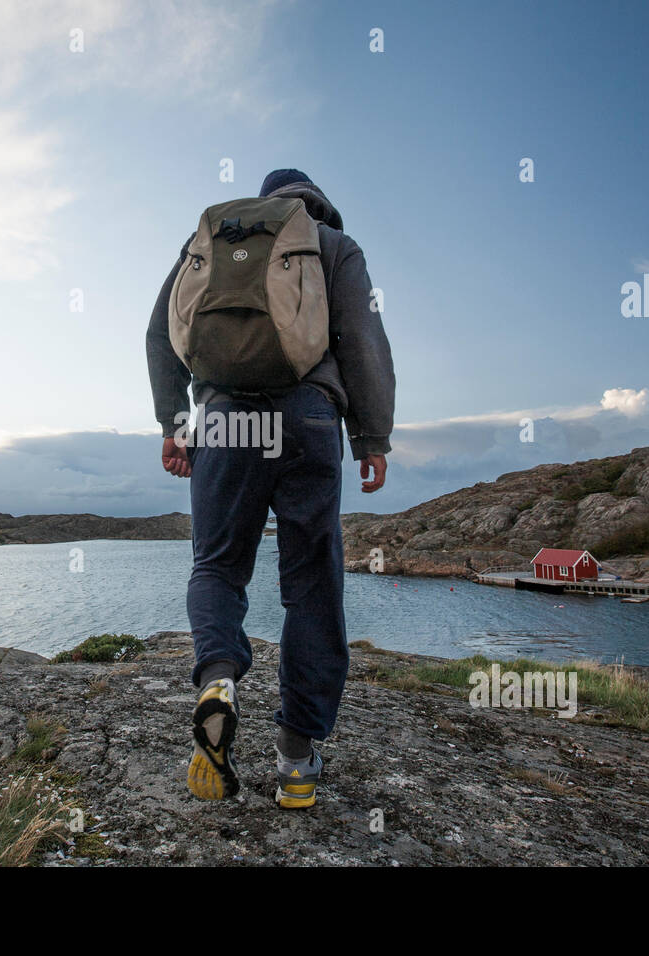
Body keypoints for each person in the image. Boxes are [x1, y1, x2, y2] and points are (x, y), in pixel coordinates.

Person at [145, 168, 396, 808]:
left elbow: (161, 334)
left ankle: (220, 679)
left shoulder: (216, 237)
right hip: (309, 416)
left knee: (218, 567)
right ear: (317, 203)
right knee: (311, 582)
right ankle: (296, 762)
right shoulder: (334, 246)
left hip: (227, 419)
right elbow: (363, 340)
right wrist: (372, 437)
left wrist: (177, 424)